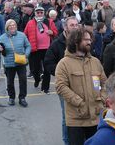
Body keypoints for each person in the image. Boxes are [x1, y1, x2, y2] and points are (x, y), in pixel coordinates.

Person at [55, 27, 107, 145]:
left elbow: (104, 83)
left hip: (95, 118)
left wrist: (102, 99)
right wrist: (79, 102)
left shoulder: (95, 62)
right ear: (75, 41)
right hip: (76, 120)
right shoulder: (64, 64)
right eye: (85, 39)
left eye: (90, 39)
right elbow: (61, 87)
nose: (89, 42)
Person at [44, 16, 79, 145]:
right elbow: (48, 62)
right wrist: (61, 74)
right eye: (72, 25)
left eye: (76, 25)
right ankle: (67, 141)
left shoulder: (82, 41)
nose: (75, 27)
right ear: (65, 27)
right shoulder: (57, 44)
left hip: (81, 84)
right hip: (65, 86)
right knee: (67, 116)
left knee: (83, 114)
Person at [0, 19, 31, 107]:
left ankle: (22, 98)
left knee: (23, 80)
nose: (12, 27)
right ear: (7, 27)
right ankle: (11, 97)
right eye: (10, 25)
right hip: (9, 63)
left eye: (14, 25)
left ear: (16, 26)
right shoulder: (3, 37)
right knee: (10, 82)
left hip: (21, 62)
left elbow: (28, 46)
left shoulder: (22, 35)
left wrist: (26, 55)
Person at [24, 6, 58, 93]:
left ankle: (45, 88)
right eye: (37, 12)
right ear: (35, 13)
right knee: (35, 69)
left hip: (47, 49)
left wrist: (52, 32)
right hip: (35, 49)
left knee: (47, 69)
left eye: (41, 12)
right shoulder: (30, 23)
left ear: (44, 13)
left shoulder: (49, 22)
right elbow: (25, 35)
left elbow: (55, 32)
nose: (39, 14)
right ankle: (37, 79)